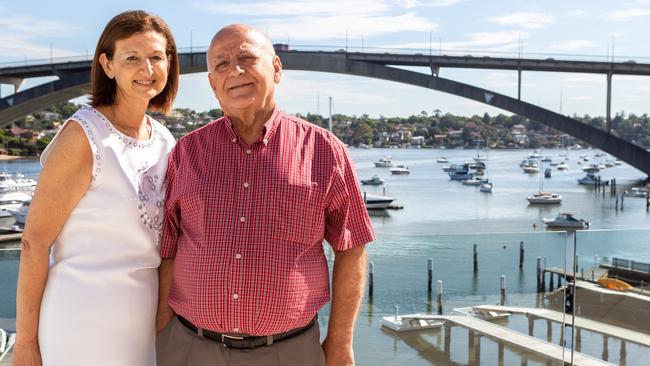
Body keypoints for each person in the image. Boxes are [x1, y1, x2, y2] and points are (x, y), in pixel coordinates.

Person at [156, 24, 375, 366]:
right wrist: (161, 334)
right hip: (191, 348)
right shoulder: (187, 153)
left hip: (290, 352)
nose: (235, 71)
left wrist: (340, 343)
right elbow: (168, 250)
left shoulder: (325, 151)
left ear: (276, 69)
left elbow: (352, 248)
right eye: (222, 64)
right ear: (213, 83)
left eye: (246, 57)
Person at [12, 10, 179, 366]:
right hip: (81, 321)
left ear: (169, 63)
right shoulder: (84, 135)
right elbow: (34, 243)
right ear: (107, 64)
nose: (147, 69)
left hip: (142, 324)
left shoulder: (165, 142)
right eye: (132, 57)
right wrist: (26, 343)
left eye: (156, 57)